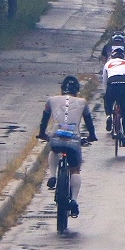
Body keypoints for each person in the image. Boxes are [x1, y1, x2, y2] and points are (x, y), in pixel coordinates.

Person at [37, 76, 98, 218]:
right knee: (75, 169)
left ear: (61, 89)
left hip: (56, 137)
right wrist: (92, 136)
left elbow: (44, 119)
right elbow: (89, 122)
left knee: (54, 149)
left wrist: (42, 134)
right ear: (77, 90)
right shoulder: (82, 102)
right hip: (73, 140)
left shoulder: (51, 100)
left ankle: (52, 176)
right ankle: (74, 200)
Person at [101, 45, 125, 145]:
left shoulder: (108, 63)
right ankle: (124, 132)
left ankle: (108, 116)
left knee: (108, 101)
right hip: (123, 85)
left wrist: (106, 93)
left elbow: (104, 80)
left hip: (112, 84)